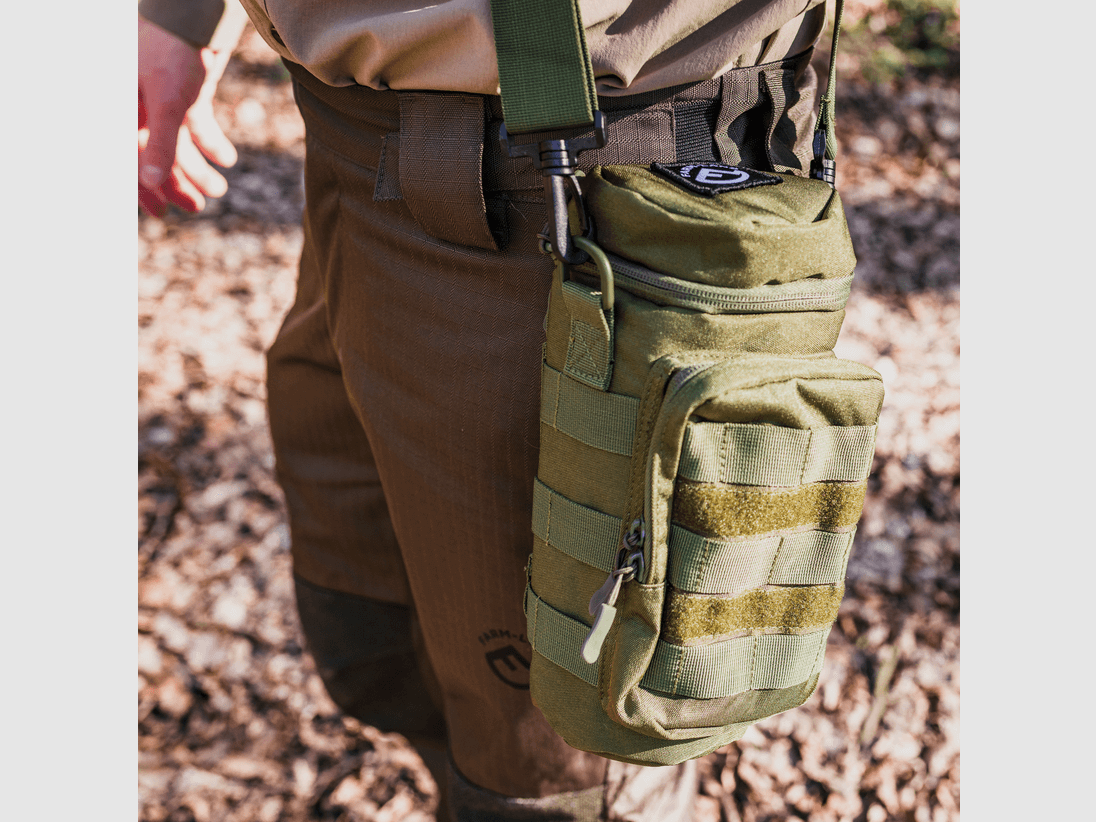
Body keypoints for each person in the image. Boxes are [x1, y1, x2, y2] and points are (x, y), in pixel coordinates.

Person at [138, 2, 832, 819]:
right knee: (381, 634)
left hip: (594, 183)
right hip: (356, 142)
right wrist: (182, 18)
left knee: (558, 771)